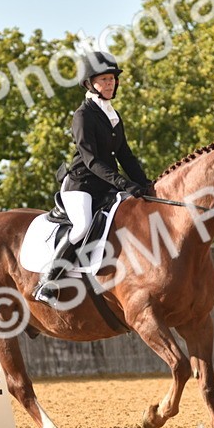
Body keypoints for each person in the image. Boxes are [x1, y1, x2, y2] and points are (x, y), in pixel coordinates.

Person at [33, 52, 153, 304]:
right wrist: (123, 183)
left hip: (106, 185)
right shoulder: (83, 115)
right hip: (81, 184)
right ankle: (48, 281)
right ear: (90, 84)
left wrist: (145, 184)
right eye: (104, 80)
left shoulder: (113, 115)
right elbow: (91, 160)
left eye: (112, 79)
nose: (110, 84)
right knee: (83, 225)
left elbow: (126, 155)